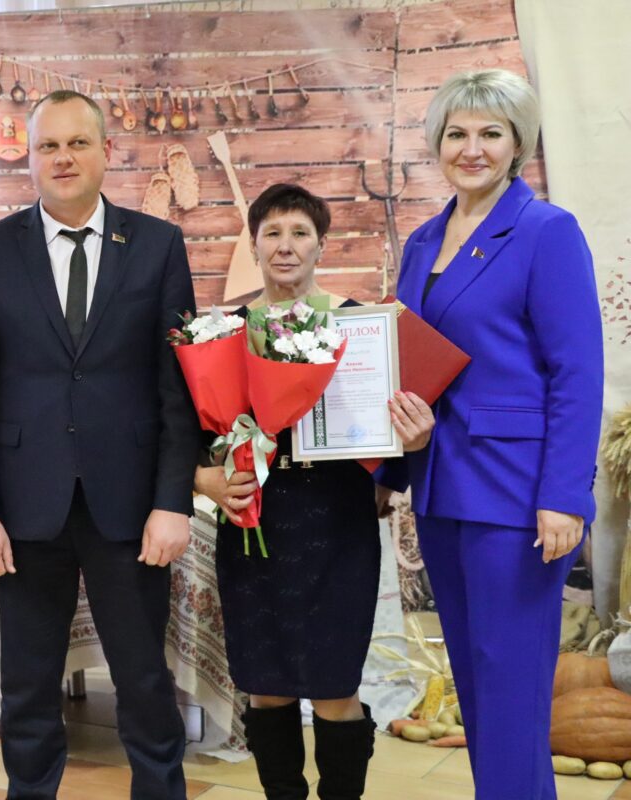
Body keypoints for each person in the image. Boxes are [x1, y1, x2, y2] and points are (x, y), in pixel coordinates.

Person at [0, 90, 202, 799]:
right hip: (24, 508)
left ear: (106, 152)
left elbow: (177, 390)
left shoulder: (156, 245)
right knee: (28, 688)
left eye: (77, 143)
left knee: (144, 681)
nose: (63, 158)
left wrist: (172, 502)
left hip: (131, 507)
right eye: (48, 146)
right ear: (29, 159)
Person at [375, 69, 603, 799]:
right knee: (477, 688)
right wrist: (391, 466)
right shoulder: (422, 241)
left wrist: (564, 496)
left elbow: (577, 374)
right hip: (439, 489)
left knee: (510, 690)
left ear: (517, 144)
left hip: (516, 497)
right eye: (457, 134)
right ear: (437, 144)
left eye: (490, 134)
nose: (471, 149)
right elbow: (412, 366)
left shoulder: (546, 232)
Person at [196, 183, 433, 800]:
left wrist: (402, 456)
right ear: (253, 246)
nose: (285, 246)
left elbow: (399, 428)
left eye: (300, 233)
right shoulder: (222, 333)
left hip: (338, 523)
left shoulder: (363, 326)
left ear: (321, 246)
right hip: (253, 523)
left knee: (335, 687)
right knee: (266, 685)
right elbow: (190, 436)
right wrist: (206, 478)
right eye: (272, 233)